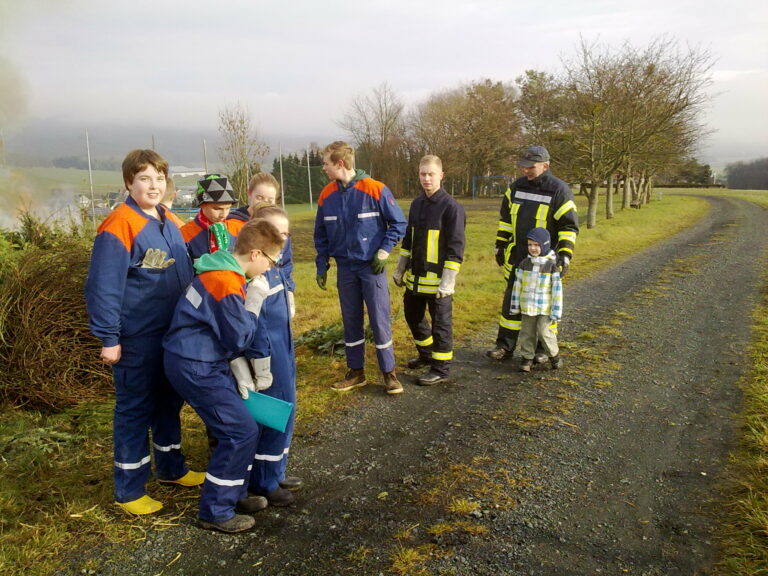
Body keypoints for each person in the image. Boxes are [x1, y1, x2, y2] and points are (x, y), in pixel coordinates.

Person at [85, 149, 203, 516]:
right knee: (135, 408)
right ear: (128, 182)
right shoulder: (120, 224)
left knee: (169, 401)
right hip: (137, 336)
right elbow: (103, 285)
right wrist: (109, 338)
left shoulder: (168, 218)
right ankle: (129, 489)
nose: (153, 186)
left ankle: (171, 468)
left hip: (173, 333)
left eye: (159, 179)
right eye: (144, 179)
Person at [163, 218, 285, 533]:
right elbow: (238, 337)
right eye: (271, 261)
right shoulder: (226, 283)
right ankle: (216, 511)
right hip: (196, 365)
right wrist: (254, 301)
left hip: (196, 358)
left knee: (232, 428)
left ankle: (235, 494)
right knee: (239, 431)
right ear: (256, 254)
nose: (269, 269)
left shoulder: (218, 271)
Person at [314, 141, 407, 395]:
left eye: (326, 163)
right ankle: (356, 372)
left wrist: (384, 251)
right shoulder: (326, 195)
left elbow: (398, 223)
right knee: (351, 320)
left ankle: (389, 373)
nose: (323, 168)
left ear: (340, 164)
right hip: (345, 269)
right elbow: (320, 234)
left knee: (379, 319)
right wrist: (322, 264)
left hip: (371, 268)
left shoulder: (375, 189)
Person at [234, 203, 302, 506]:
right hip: (269, 356)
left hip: (283, 349)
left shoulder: (275, 268)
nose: (283, 240)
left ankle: (276, 469)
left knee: (287, 410)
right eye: (278, 234)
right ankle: (264, 480)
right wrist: (260, 365)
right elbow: (255, 326)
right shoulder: (257, 278)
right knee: (274, 414)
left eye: (286, 234)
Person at [487, 146, 578, 361]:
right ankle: (504, 346)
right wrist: (500, 245)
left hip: (545, 264)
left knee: (543, 307)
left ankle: (543, 350)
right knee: (512, 303)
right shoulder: (515, 188)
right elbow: (506, 220)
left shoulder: (559, 191)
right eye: (524, 166)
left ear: (545, 166)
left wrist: (565, 255)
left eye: (531, 167)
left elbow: (568, 227)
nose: (525, 170)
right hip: (518, 259)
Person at [393, 155, 466, 385]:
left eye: (431, 174)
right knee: (412, 316)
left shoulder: (452, 208)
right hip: (415, 279)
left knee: (441, 325)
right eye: (423, 174)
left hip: (439, 282)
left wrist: (448, 282)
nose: (426, 178)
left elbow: (456, 248)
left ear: (441, 176)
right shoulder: (416, 204)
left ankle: (441, 368)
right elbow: (409, 240)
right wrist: (400, 268)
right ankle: (426, 355)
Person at [229, 173, 296, 319]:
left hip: (277, 299)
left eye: (270, 200)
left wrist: (289, 292)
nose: (264, 202)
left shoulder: (281, 228)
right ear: (249, 194)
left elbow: (285, 264)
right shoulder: (235, 227)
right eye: (260, 197)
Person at [509, 227, 563, 372]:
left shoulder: (551, 266)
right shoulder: (524, 264)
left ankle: (554, 356)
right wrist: (515, 306)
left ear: (544, 245)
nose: (533, 248)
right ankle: (527, 358)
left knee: (545, 332)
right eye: (530, 245)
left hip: (544, 308)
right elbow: (517, 286)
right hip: (527, 307)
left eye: (537, 245)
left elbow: (557, 291)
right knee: (527, 333)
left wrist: (556, 312)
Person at [181, 174, 243, 260]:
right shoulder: (185, 234)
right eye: (217, 209)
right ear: (202, 205)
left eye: (228, 208)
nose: (223, 215)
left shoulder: (238, 230)